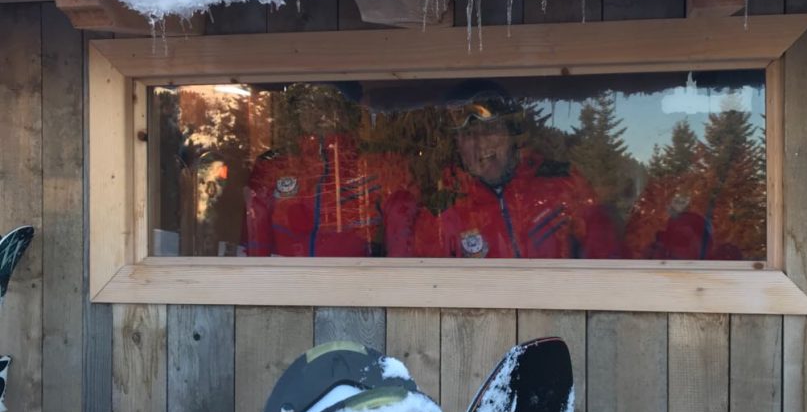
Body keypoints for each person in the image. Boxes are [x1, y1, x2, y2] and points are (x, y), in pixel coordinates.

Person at [395, 80, 621, 259]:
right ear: (459, 146)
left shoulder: (562, 183)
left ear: (511, 134)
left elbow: (607, 261)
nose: (481, 143)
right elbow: (426, 285)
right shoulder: (443, 209)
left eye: (490, 129)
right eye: (468, 134)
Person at [243, 83, 418, 257]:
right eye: (309, 103)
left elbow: (402, 244)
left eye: (331, 101)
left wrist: (392, 276)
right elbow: (255, 243)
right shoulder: (274, 166)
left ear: (349, 111)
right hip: (284, 275)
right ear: (297, 112)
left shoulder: (382, 164)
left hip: (362, 274)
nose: (321, 111)